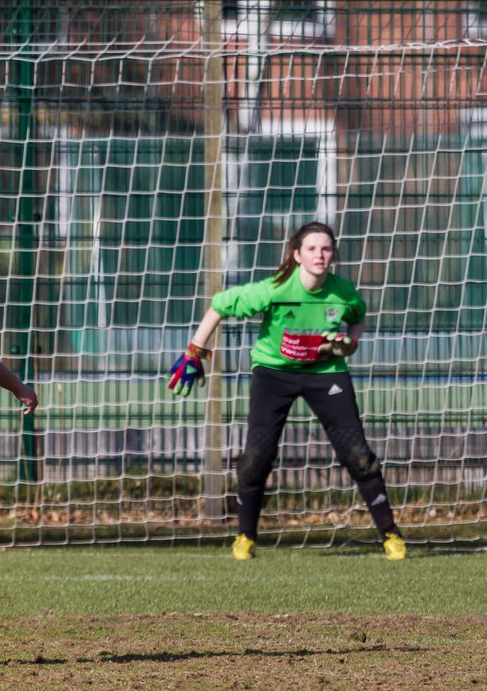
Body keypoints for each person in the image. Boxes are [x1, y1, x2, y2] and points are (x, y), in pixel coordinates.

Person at [167, 222, 407, 562]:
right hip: (274, 374)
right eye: (311, 249)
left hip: (325, 374)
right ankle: (245, 538)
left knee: (359, 457)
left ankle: (391, 536)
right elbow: (220, 304)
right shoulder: (275, 289)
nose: (320, 255)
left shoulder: (343, 292)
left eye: (325, 249)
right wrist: (194, 351)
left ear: (333, 254)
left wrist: (348, 345)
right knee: (255, 459)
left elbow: (358, 318)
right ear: (296, 255)